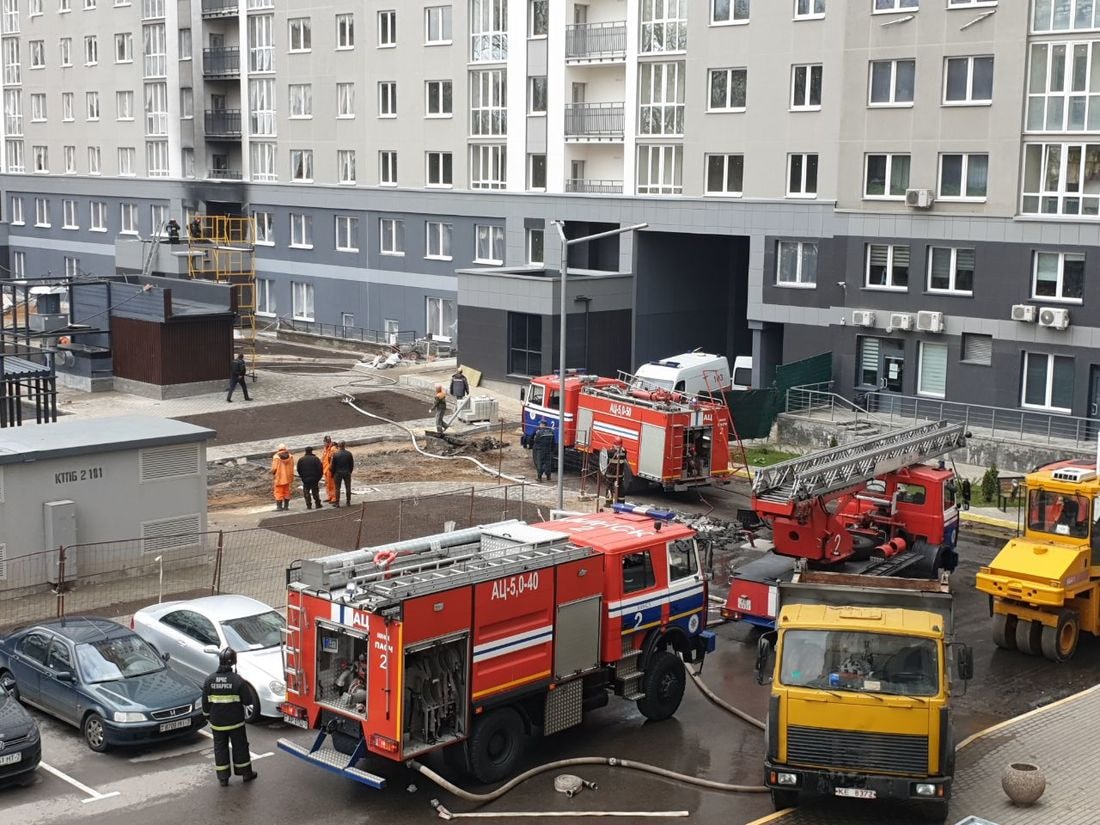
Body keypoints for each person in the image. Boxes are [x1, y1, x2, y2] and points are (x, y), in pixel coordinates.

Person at [201, 647, 257, 787]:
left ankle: (223, 778)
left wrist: (208, 716)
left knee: (220, 748)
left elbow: (205, 702)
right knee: (240, 747)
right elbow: (248, 700)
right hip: (235, 723)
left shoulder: (209, 680)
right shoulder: (237, 680)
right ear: (233, 662)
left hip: (217, 723)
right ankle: (245, 774)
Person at [297, 446, 323, 510]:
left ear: (305, 451)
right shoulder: (315, 459)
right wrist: (318, 478)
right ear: (311, 451)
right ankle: (318, 504)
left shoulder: (301, 460)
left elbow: (299, 469)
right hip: (314, 479)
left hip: (305, 479)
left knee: (306, 492)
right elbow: (320, 469)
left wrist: (302, 477)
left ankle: (308, 505)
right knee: (315, 492)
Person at [330, 440, 354, 507]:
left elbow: (332, 466)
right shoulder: (349, 454)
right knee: (348, 487)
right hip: (347, 472)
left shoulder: (335, 454)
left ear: (338, 446)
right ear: (344, 445)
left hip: (338, 473)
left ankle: (337, 503)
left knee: (337, 488)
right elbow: (351, 465)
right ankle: (348, 502)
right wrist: (349, 471)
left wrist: (333, 473)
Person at [271, 444, 294, 511]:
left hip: (279, 478)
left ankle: (279, 507)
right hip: (287, 478)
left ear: (278, 449)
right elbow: (292, 466)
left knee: (278, 492)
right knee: (286, 491)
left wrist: (273, 473)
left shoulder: (276, 457)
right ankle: (286, 507)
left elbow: (274, 468)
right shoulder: (290, 456)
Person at [321, 435, 338, 505]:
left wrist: (332, 468)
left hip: (330, 468)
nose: (325, 443)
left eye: (325, 442)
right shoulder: (325, 448)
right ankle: (330, 496)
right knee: (327, 484)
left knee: (332, 484)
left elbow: (334, 459)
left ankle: (334, 497)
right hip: (325, 468)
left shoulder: (333, 448)